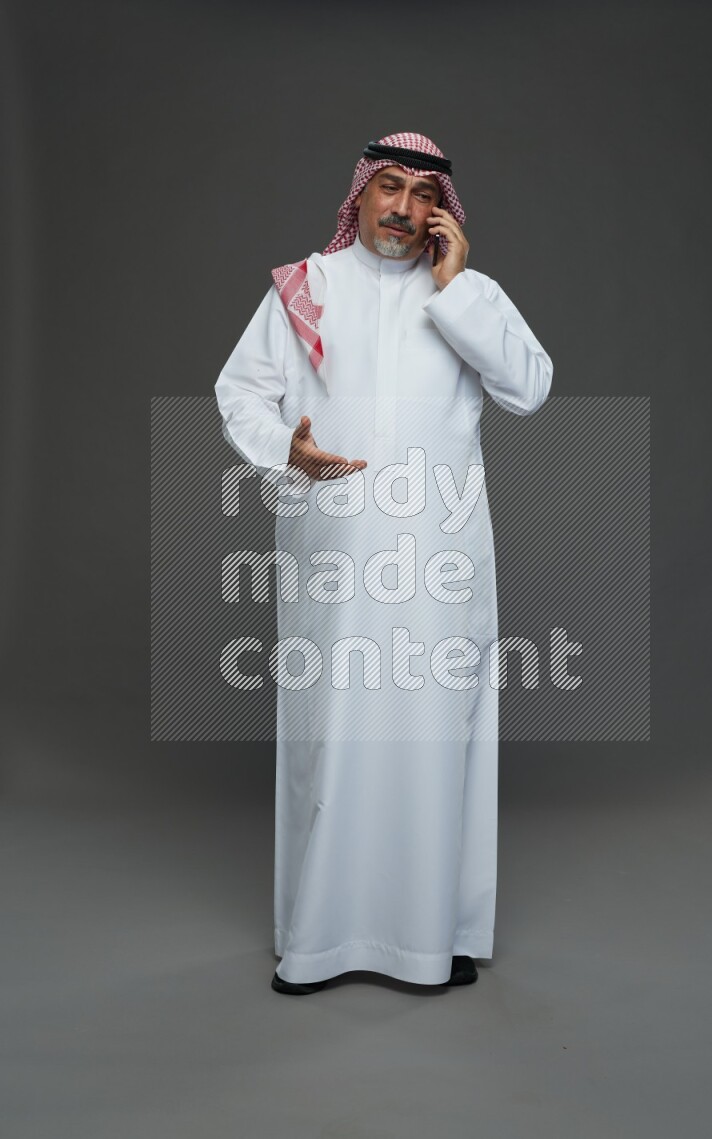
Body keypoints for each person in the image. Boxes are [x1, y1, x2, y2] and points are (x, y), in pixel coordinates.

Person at [214, 132, 553, 995]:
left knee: (441, 740)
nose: (401, 208)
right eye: (387, 188)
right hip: (336, 558)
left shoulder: (468, 295)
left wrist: (456, 290)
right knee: (334, 737)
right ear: (358, 195)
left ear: (441, 211)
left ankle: (436, 935)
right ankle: (320, 940)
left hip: (439, 565)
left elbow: (528, 387)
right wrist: (283, 451)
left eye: (420, 195)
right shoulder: (306, 288)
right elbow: (240, 392)